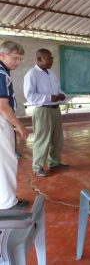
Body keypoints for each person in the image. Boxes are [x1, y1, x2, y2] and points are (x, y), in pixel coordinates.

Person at [24, 48, 69, 177]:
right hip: (43, 110)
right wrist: (49, 98)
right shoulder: (32, 74)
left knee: (57, 138)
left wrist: (61, 95)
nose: (52, 60)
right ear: (39, 59)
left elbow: (58, 89)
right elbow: (30, 96)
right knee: (42, 139)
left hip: (55, 110)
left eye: (52, 57)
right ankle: (37, 167)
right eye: (49, 57)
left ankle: (54, 162)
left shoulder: (51, 73)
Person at [0, 41, 29, 209]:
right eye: (15, 58)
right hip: (2, 121)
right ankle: (8, 203)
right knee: (6, 161)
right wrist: (19, 125)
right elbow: (3, 106)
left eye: (20, 59)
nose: (18, 62)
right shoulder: (1, 73)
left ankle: (4, 199)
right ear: (2, 55)